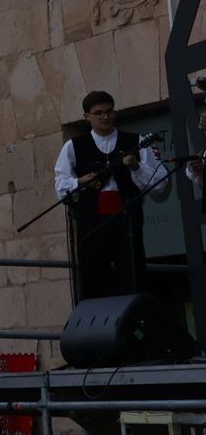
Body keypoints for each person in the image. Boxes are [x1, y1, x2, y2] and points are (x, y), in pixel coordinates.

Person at [54, 91, 163, 301]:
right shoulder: (73, 146)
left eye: (109, 112)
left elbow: (159, 182)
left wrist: (136, 167)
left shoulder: (135, 141)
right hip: (92, 221)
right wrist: (79, 182)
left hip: (127, 219)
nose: (105, 117)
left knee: (131, 274)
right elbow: (60, 184)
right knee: (95, 277)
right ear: (87, 116)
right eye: (98, 113)